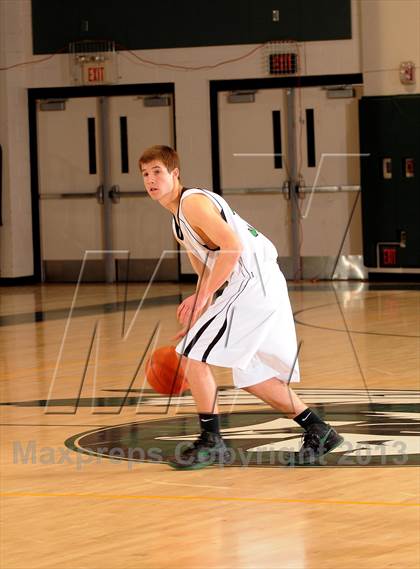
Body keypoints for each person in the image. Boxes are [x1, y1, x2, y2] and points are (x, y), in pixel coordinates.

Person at [139, 145, 343, 470]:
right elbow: (206, 273)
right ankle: (319, 430)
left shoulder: (193, 203)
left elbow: (232, 248)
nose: (151, 180)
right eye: (145, 174)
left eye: (157, 172)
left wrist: (201, 303)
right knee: (252, 376)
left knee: (191, 355)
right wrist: (197, 317)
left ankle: (212, 442)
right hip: (258, 282)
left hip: (252, 280)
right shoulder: (178, 224)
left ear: (174, 174)